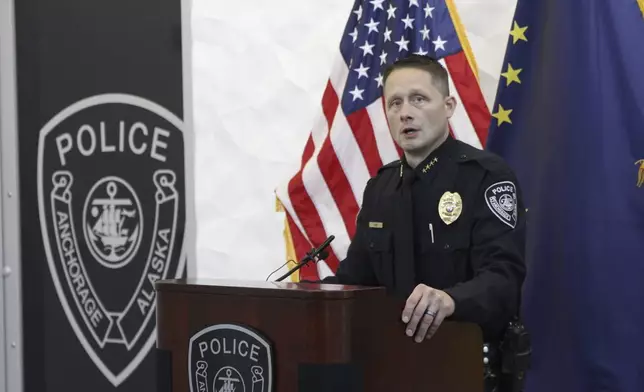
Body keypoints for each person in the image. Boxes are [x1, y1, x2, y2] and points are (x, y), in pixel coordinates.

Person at [320, 55, 528, 385]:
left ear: (448, 105)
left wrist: (450, 300)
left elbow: (503, 279)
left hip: (463, 367)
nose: (405, 112)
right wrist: (299, 298)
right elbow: (355, 279)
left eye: (419, 99)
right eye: (395, 103)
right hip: (389, 369)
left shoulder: (486, 177)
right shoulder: (381, 188)